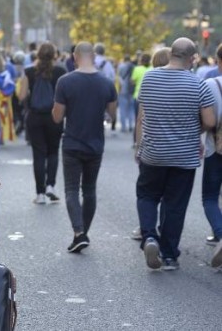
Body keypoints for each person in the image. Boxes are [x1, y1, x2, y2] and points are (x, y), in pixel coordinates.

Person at [135, 38, 216, 271]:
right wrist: (192, 127)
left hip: (153, 153)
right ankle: (169, 255)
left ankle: (149, 237)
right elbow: (210, 121)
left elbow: (144, 112)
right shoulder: (198, 84)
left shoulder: (150, 78)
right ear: (192, 58)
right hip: (184, 156)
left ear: (171, 54)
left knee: (147, 196)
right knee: (175, 205)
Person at [52, 42, 118, 253]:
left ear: (75, 56)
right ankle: (83, 233)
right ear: (94, 57)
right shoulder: (107, 83)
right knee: (89, 190)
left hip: (72, 142)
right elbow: (113, 114)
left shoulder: (65, 81)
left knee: (71, 189)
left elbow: (57, 116)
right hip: (95, 143)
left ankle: (79, 233)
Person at [129, 47, 171, 242]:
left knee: (148, 193)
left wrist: (138, 146)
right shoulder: (183, 82)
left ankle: (146, 229)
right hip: (176, 149)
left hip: (151, 148)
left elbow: (140, 120)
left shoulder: (150, 81)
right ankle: (166, 229)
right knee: (169, 194)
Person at [18, 43, 67, 204]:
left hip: (35, 117)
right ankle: (50, 186)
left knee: (38, 155)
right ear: (54, 55)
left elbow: (22, 96)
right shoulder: (60, 71)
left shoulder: (29, 71)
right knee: (53, 152)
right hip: (54, 116)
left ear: (37, 55)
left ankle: (39, 194)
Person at [202, 71, 222, 267]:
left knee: (209, 198)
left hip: (215, 149)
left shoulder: (210, 84)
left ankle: (220, 233)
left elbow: (205, 120)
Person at [117, 55, 135, 133]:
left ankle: (123, 127)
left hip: (123, 90)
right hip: (132, 91)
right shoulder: (134, 67)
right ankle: (131, 125)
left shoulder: (121, 66)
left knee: (122, 109)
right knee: (131, 109)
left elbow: (119, 79)